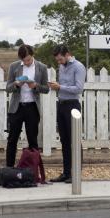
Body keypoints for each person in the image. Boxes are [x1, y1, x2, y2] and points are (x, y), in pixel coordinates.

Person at [6, 44, 49, 167]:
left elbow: (46, 89)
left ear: (32, 55)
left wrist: (36, 86)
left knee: (33, 140)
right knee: (12, 139)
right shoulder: (14, 66)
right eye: (23, 60)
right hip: (16, 108)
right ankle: (9, 168)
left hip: (32, 108)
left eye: (28, 59)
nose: (26, 62)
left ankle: (33, 170)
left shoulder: (42, 67)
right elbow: (7, 88)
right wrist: (16, 84)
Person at [48, 44, 86, 183]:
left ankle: (76, 173)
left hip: (73, 106)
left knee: (74, 140)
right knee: (64, 141)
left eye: (60, 59)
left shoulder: (78, 66)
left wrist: (60, 87)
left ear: (67, 54)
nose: (59, 62)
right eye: (57, 60)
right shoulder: (62, 67)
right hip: (62, 104)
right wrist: (56, 86)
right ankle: (66, 173)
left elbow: (79, 88)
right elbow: (64, 86)